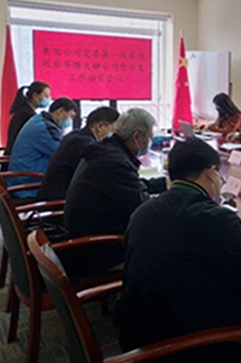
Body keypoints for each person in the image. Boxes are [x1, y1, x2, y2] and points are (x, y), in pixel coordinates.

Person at [119, 137, 241, 363]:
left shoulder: (142, 212)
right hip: (190, 355)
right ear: (211, 173)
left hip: (139, 344)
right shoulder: (218, 220)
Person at [64, 108, 167, 272]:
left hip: (88, 238)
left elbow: (131, 186)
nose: (151, 142)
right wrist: (175, 199)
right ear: (136, 137)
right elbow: (144, 206)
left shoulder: (108, 150)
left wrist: (165, 184)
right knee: (169, 247)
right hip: (98, 250)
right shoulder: (114, 162)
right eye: (150, 137)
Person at [37, 106, 119, 201]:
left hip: (55, 195)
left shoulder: (76, 135)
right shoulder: (86, 144)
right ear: (100, 127)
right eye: (114, 131)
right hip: (58, 202)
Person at [7, 97, 78, 199]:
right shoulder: (45, 129)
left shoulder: (40, 120)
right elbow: (63, 154)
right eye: (71, 116)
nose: (70, 121)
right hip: (28, 184)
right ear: (60, 111)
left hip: (22, 177)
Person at [5, 81, 51, 155]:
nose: (49, 99)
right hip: (18, 155)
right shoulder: (27, 115)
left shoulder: (25, 110)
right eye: (46, 96)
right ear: (35, 95)